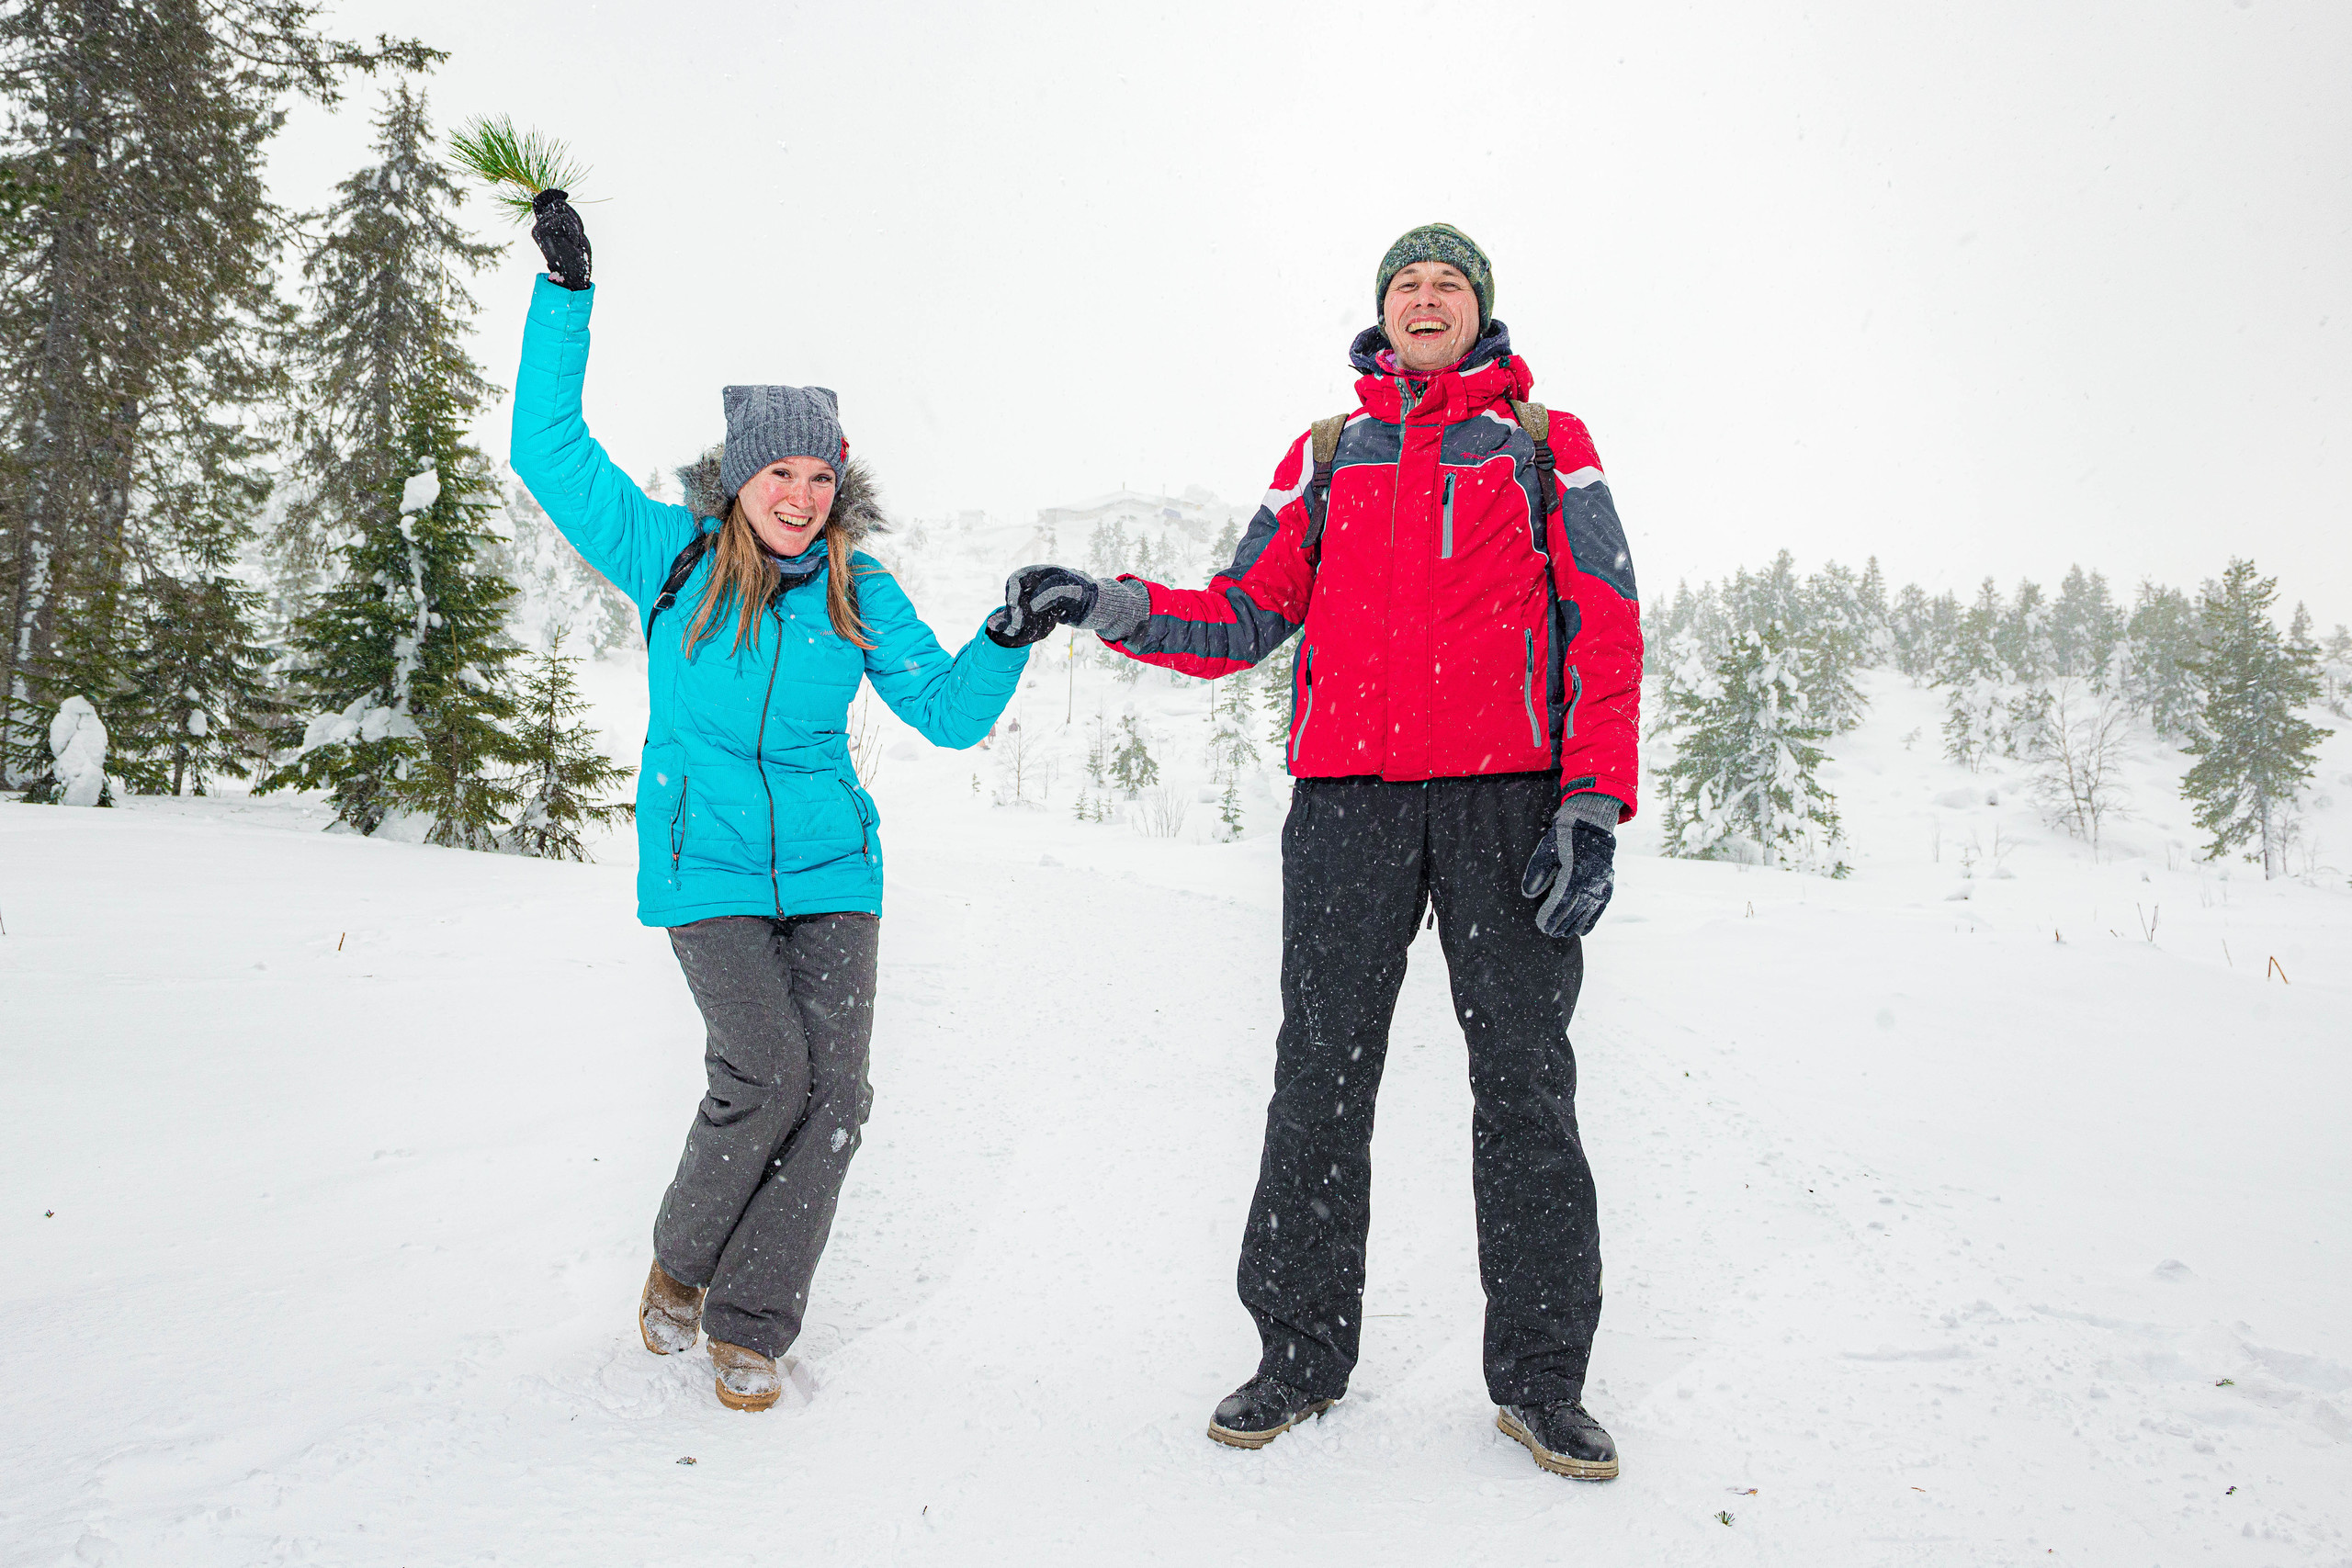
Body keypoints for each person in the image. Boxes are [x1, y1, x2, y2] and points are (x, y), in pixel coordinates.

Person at [990, 224, 1640, 1479]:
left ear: (1482, 312)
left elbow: (1603, 626)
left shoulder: (1550, 447)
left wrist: (1590, 805)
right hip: (1349, 807)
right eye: (1407, 284)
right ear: (1380, 313)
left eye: (1449, 283)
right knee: (1319, 1080)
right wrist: (1102, 603)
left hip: (1505, 801)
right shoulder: (1329, 455)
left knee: (1525, 1088)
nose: (1426, 298)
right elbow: (1242, 612)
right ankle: (1297, 1354)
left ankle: (1542, 1379)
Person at [510, 192, 1049, 1412]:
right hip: (703, 862)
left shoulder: (859, 590)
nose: (801, 495)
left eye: (821, 474)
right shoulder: (674, 558)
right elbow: (548, 451)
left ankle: (752, 1322)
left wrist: (1012, 629)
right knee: (764, 1066)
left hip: (828, 870)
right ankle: (681, 1268)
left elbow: (951, 713)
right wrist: (567, 295)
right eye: (779, 473)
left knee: (838, 1094)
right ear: (740, 477)